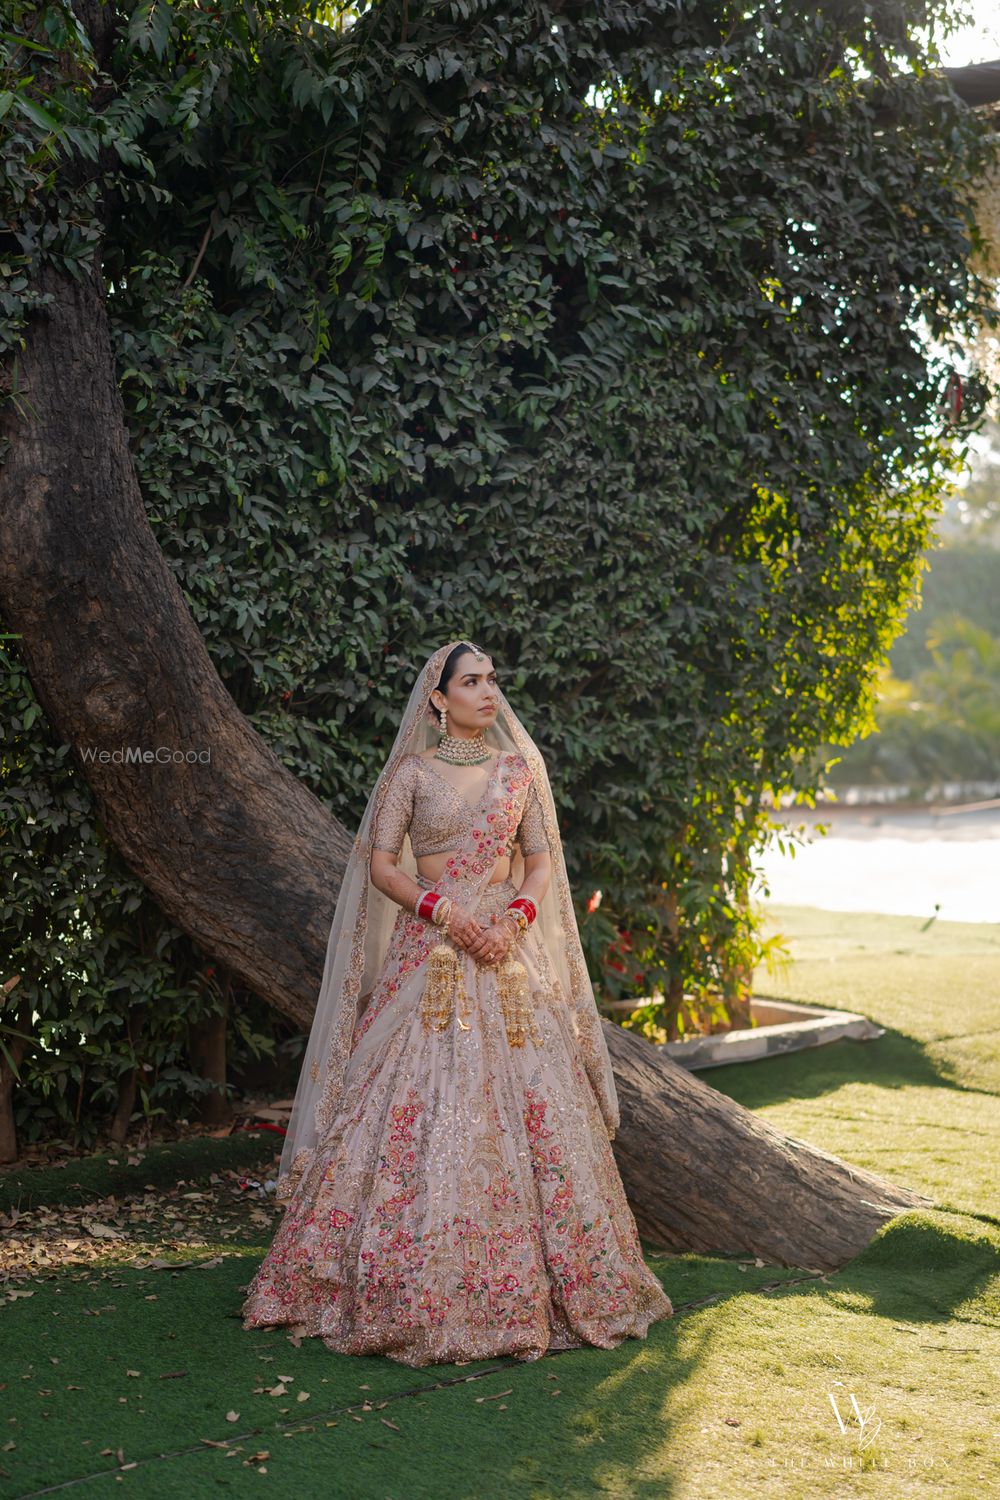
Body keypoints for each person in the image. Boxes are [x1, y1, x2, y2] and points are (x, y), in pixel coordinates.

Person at [241, 638, 673, 1367]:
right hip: (433, 952)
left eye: (492, 681)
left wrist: (513, 921)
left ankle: (543, 1285)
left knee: (538, 1102)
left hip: (506, 952)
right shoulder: (409, 773)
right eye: (471, 682)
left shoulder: (518, 772)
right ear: (437, 698)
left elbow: (539, 863)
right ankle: (398, 1280)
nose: (488, 692)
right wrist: (445, 912)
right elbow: (380, 864)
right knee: (408, 1098)